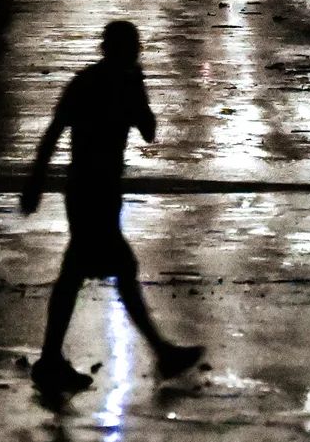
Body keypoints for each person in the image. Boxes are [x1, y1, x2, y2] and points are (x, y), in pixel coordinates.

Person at [22, 21, 205, 391]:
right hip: (94, 191)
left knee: (88, 271)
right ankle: (55, 359)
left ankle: (56, 357)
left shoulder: (94, 82)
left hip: (91, 190)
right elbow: (149, 129)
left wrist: (35, 184)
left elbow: (56, 133)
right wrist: (35, 184)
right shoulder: (108, 84)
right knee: (104, 269)